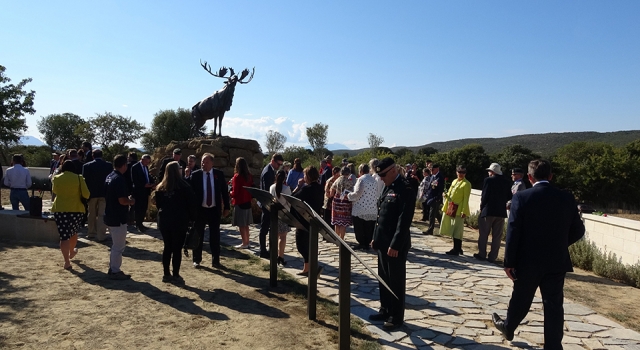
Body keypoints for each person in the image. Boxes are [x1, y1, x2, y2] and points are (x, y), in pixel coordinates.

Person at [492, 159, 585, 349]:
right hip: (556, 261)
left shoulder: (522, 197)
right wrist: (559, 244)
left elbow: (514, 231)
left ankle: (509, 327)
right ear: (550, 176)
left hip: (528, 261)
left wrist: (509, 261)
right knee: (553, 305)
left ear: (529, 177)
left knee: (521, 298)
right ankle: (553, 346)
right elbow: (578, 230)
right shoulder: (566, 197)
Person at [368, 157, 414, 329]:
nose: (381, 178)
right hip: (382, 242)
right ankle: (385, 309)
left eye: (383, 175)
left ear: (393, 171)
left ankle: (396, 316)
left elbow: (404, 221)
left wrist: (395, 244)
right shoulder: (387, 186)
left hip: (395, 246)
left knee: (395, 281)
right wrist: (375, 237)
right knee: (383, 279)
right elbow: (381, 215)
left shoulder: (405, 188)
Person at [153, 161, 197, 285]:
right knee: (177, 248)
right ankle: (176, 274)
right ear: (177, 170)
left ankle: (166, 274)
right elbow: (191, 204)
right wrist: (193, 219)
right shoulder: (184, 186)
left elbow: (159, 205)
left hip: (165, 221)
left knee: (168, 247)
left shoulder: (161, 187)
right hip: (179, 221)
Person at [187, 152, 230, 268]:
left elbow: (224, 193)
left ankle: (216, 261)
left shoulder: (218, 174)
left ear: (212, 163)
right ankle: (196, 259)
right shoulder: (195, 175)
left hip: (214, 210)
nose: (203, 164)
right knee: (198, 235)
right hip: (200, 210)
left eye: (206, 162)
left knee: (215, 236)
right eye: (202, 162)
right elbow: (189, 191)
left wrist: (227, 207)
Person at [51, 160, 90, 270]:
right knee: (73, 232)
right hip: (76, 210)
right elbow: (86, 194)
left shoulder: (57, 178)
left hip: (60, 210)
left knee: (64, 236)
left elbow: (55, 191)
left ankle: (66, 261)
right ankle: (72, 251)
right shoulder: (79, 178)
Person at [104, 155, 135, 280]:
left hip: (110, 214)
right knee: (119, 246)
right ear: (123, 165)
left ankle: (113, 268)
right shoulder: (119, 179)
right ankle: (115, 270)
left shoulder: (109, 176)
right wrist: (131, 201)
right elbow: (122, 200)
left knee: (115, 245)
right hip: (118, 217)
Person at [474, 163, 512, 263]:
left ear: (492, 172)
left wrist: (482, 207)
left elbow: (484, 196)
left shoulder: (488, 180)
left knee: (484, 234)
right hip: (500, 212)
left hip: (488, 210)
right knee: (497, 236)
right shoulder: (506, 182)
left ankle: (482, 254)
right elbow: (509, 196)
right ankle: (493, 257)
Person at [292, 166, 324, 276]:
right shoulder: (320, 188)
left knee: (301, 246)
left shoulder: (306, 189)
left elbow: (292, 198)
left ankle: (314, 267)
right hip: (315, 220)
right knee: (311, 245)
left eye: (305, 175)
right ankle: (307, 269)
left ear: (309, 176)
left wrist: (299, 186)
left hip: (304, 221)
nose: (303, 177)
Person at [82, 149, 113, 242]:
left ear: (92, 156)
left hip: (91, 194)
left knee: (91, 214)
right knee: (101, 215)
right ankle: (101, 235)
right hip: (104, 193)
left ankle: (91, 233)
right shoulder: (108, 165)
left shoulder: (87, 166)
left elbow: (85, 181)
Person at [440, 165, 472, 256]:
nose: (461, 174)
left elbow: (466, 198)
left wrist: (463, 211)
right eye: (459, 172)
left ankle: (456, 249)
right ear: (456, 172)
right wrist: (445, 195)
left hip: (459, 209)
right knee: (453, 229)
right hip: (451, 207)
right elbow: (450, 192)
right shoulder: (454, 181)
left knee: (457, 230)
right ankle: (458, 248)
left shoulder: (467, 184)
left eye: (463, 172)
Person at [258, 153, 284, 258]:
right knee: (264, 228)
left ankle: (267, 249)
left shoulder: (270, 170)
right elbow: (267, 190)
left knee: (267, 228)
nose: (279, 167)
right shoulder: (268, 172)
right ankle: (263, 250)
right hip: (266, 204)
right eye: (278, 164)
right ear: (273, 161)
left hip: (268, 204)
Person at [347, 163, 378, 250]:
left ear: (361, 171)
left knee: (359, 227)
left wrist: (349, 195)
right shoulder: (373, 180)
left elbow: (357, 193)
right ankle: (367, 243)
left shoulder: (361, 180)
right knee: (368, 227)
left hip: (361, 207)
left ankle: (362, 243)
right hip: (371, 207)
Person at [230, 157, 254, 249]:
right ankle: (247, 242)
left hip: (240, 202)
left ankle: (244, 243)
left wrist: (230, 192)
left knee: (241, 224)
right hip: (247, 202)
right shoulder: (249, 176)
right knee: (246, 225)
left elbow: (235, 192)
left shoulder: (237, 177)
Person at [269, 170, 291, 266]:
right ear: (285, 178)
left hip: (274, 214)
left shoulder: (271, 187)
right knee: (283, 236)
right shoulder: (286, 189)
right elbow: (289, 203)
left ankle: (273, 254)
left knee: (275, 235)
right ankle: (280, 256)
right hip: (283, 214)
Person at [131, 154, 156, 232]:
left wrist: (153, 183)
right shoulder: (135, 167)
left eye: (148, 162)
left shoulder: (146, 167)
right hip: (139, 191)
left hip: (146, 191)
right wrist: (144, 185)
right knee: (139, 208)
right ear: (142, 160)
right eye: (146, 162)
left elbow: (147, 176)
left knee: (144, 208)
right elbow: (134, 180)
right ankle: (138, 224)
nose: (147, 164)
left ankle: (141, 223)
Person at [330, 166, 355, 240]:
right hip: (345, 201)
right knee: (343, 222)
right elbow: (352, 192)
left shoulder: (337, 180)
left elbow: (332, 191)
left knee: (337, 222)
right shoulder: (349, 181)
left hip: (337, 200)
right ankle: (342, 239)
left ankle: (336, 238)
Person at [423, 164, 444, 235]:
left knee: (432, 214)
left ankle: (430, 230)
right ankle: (443, 226)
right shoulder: (432, 176)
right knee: (436, 214)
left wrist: (437, 198)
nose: (431, 171)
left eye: (432, 170)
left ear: (437, 169)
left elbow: (440, 190)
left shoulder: (440, 177)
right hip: (431, 197)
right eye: (430, 170)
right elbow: (430, 187)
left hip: (435, 199)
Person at [124, 152, 138, 225]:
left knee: (126, 203)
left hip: (127, 186)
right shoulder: (139, 166)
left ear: (131, 157)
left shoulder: (127, 166)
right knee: (134, 203)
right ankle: (132, 219)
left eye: (128, 157)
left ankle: (127, 218)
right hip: (136, 187)